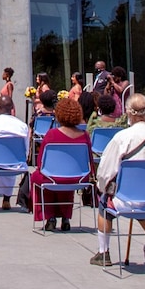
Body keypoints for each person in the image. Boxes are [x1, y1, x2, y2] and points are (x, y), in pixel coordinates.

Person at [90, 93, 145, 267]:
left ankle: (103, 252)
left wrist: (103, 187)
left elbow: (106, 171)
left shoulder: (122, 138)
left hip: (128, 198)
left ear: (128, 112)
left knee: (105, 204)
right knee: (142, 207)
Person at [31, 94, 92, 230]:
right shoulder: (85, 136)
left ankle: (50, 217)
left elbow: (41, 163)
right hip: (79, 178)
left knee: (39, 176)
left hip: (53, 177)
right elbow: (89, 159)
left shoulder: (51, 134)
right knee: (66, 175)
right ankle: (66, 218)